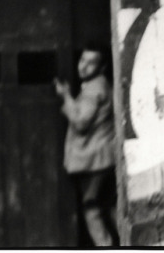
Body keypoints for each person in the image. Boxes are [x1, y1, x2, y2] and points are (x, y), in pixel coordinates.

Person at [54, 43, 119, 246]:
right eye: (83, 60)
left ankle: (105, 246)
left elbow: (81, 122)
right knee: (108, 206)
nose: (83, 66)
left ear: (102, 67)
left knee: (92, 208)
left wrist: (65, 96)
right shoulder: (101, 85)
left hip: (96, 161)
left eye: (91, 63)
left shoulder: (94, 88)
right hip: (104, 158)